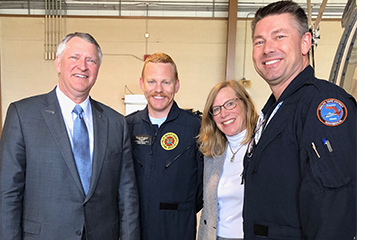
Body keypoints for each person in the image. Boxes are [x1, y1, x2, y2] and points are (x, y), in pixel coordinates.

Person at [0, 32, 140, 240]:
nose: (82, 66)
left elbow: (127, 194)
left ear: (97, 69)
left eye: (90, 60)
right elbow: (8, 193)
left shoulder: (115, 123)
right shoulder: (22, 115)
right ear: (58, 63)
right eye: (74, 57)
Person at [242, 1, 357, 239]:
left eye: (279, 36)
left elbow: (333, 212)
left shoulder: (323, 105)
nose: (267, 49)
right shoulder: (275, 109)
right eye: (259, 41)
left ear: (305, 43)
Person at [126, 52, 203, 240]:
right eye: (152, 82)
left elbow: (202, 186)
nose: (158, 89)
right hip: (135, 231)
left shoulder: (196, 128)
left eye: (166, 82)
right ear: (142, 83)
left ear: (176, 85)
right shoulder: (126, 127)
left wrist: (176, 212)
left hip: (177, 230)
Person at [197, 80, 258, 240]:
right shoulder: (213, 152)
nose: (223, 114)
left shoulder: (262, 147)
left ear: (245, 103)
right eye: (216, 109)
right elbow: (207, 210)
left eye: (230, 104)